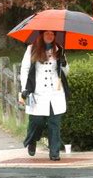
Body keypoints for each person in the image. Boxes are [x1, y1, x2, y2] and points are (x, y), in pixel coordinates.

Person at [19, 30, 70, 161]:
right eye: (47, 34)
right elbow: (24, 69)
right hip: (36, 91)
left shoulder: (59, 49)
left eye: (52, 34)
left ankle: (54, 152)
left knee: (55, 122)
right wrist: (24, 88)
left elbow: (66, 72)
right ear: (41, 35)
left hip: (55, 92)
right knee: (37, 121)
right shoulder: (31, 49)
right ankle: (32, 140)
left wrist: (63, 63)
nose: (49, 36)